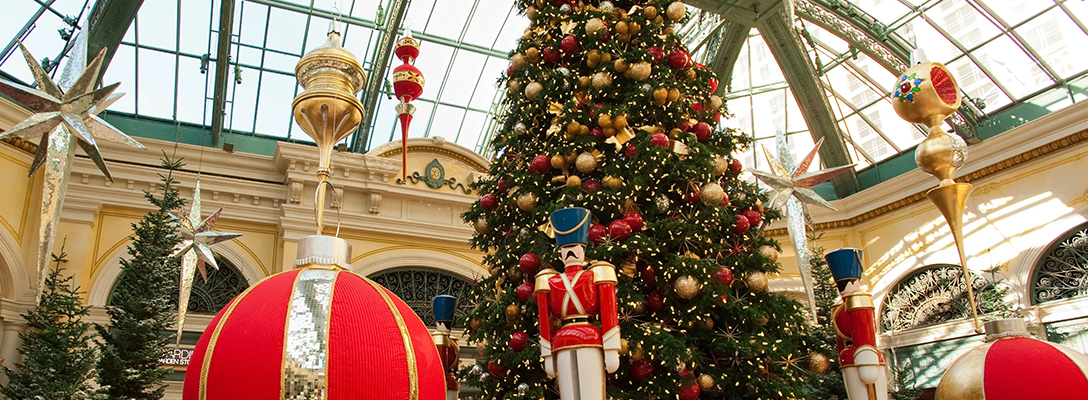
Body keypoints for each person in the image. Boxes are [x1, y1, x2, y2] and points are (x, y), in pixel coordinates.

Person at [535, 207, 620, 400]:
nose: (570, 252)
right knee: (569, 392)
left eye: (574, 248)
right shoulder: (550, 280)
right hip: (562, 341)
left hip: (590, 338)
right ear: (560, 252)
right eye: (566, 248)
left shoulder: (597, 273)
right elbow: (544, 318)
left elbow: (609, 310)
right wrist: (547, 354)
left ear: (583, 249)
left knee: (592, 392)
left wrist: (612, 348)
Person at [825, 248, 888, 400]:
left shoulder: (859, 300)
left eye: (845, 283)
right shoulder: (839, 307)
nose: (842, 287)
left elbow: (864, 330)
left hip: (863, 358)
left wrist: (866, 358)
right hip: (851, 358)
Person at [431, 295, 459, 400]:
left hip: (443, 381)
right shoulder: (454, 340)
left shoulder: (439, 337)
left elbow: (441, 364)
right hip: (452, 380)